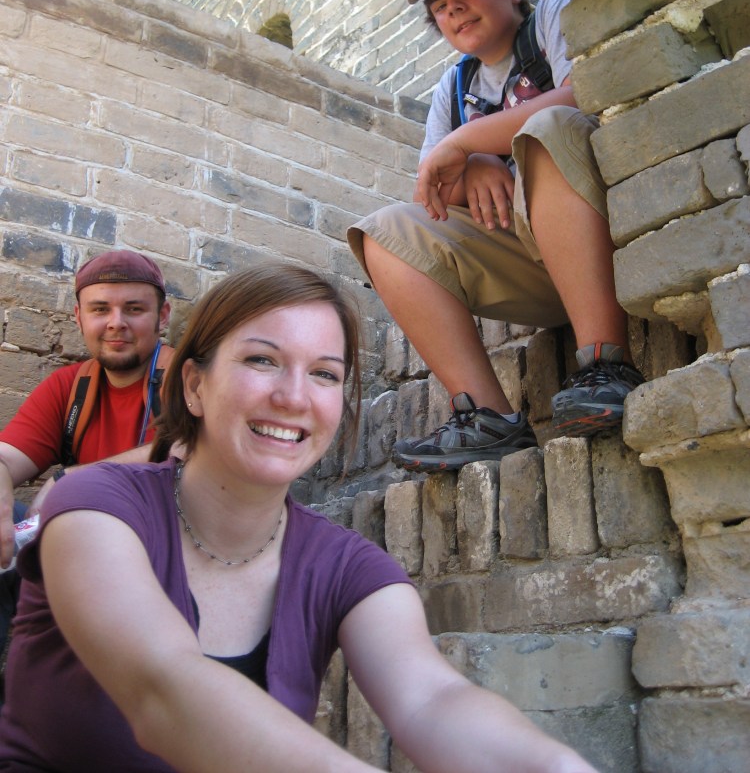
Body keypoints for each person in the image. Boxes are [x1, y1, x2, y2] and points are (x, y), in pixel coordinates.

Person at [0, 262, 599, 773]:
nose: (294, 397)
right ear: (194, 387)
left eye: (324, 373)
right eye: (262, 360)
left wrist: (556, 766)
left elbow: (431, 699)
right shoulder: (96, 506)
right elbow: (165, 693)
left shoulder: (350, 567)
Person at [348, 0, 644, 472]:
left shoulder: (552, 14)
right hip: (527, 262)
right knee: (382, 231)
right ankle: (487, 416)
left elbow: (585, 92)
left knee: (547, 125)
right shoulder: (455, 85)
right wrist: (475, 157)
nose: (454, 7)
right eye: (440, 5)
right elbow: (433, 184)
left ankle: (606, 364)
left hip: (603, 233)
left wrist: (475, 142)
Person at [0, 249, 172, 657]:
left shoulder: (190, 377)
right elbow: (7, 457)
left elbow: (198, 450)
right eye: (100, 309)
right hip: (75, 544)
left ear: (162, 317)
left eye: (134, 308)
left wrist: (71, 476)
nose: (117, 323)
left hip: (160, 548)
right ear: (78, 317)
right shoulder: (69, 386)